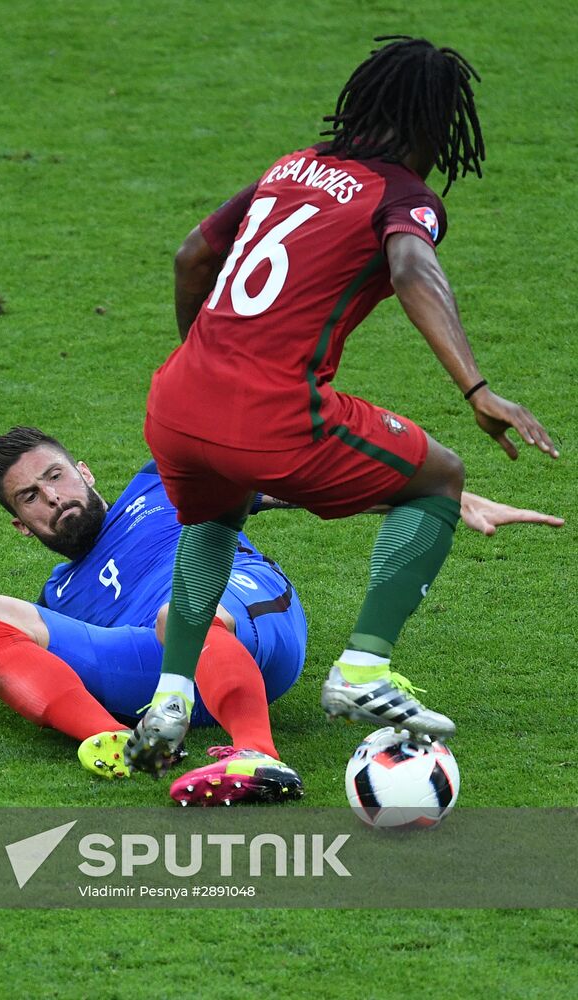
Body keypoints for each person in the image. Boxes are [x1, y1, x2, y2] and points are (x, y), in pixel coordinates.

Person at [132, 36, 560, 773]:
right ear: (437, 126)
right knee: (439, 477)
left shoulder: (292, 166)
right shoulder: (404, 196)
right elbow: (410, 265)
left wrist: (205, 363)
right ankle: (362, 670)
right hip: (270, 416)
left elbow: (191, 257)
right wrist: (476, 388)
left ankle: (169, 698)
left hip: (174, 402)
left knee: (214, 517)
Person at [0, 426, 562, 806]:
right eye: (29, 498)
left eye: (54, 476)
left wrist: (441, 498)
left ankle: (258, 752)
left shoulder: (162, 487)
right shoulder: (60, 594)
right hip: (155, 676)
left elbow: (297, 491)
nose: (51, 497)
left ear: (85, 473)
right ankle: (114, 745)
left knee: (178, 612)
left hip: (248, 620)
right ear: (20, 527)